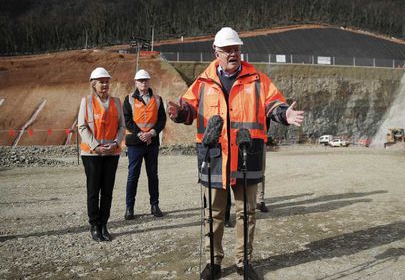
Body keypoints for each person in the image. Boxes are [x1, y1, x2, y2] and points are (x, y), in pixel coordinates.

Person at [168, 27, 304, 280]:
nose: (233, 54)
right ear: (216, 52)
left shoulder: (258, 79)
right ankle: (214, 263)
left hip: (246, 156)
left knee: (246, 213)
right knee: (214, 214)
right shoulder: (203, 82)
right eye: (228, 50)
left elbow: (274, 104)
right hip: (214, 158)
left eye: (236, 49)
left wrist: (283, 114)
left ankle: (244, 262)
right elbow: (188, 109)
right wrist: (179, 113)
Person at [78, 67, 125, 242]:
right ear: (93, 84)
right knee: (93, 190)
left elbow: (121, 126)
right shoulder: (87, 102)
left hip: (112, 153)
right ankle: (94, 225)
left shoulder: (117, 102)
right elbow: (82, 126)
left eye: (106, 81)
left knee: (107, 190)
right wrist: (96, 146)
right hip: (91, 154)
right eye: (101, 82)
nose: (104, 84)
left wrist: (115, 143)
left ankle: (104, 224)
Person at [123, 69, 167, 220]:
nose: (143, 83)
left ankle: (154, 205)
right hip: (135, 143)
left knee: (153, 175)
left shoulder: (157, 98)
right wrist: (141, 134)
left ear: (149, 82)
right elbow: (127, 120)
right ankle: (129, 208)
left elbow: (162, 119)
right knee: (132, 176)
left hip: (152, 142)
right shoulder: (128, 99)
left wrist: (151, 133)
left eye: (145, 80)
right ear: (135, 83)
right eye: (140, 80)